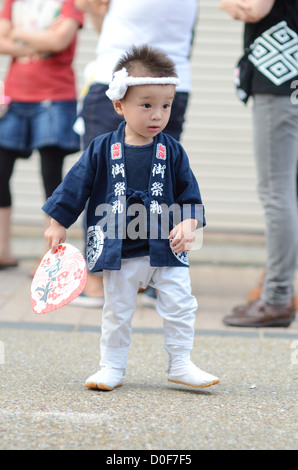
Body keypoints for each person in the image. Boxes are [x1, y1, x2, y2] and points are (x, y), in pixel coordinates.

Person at [43, 45, 220, 391]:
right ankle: (111, 367)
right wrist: (57, 222)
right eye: (147, 105)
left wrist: (189, 222)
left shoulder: (172, 150)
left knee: (181, 305)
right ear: (119, 105)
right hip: (119, 249)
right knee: (117, 311)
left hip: (166, 246)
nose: (158, 115)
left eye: (166, 105)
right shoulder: (101, 148)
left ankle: (181, 362)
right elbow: (75, 185)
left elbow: (190, 195)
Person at [72, 0, 198, 307]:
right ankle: (156, 276)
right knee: (161, 180)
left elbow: (90, 6)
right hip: (172, 81)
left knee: (102, 180)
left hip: (121, 81)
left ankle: (99, 279)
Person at [219, 0, 298, 327]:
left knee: (276, 191)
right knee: (288, 190)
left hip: (278, 78)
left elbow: (254, 9)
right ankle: (277, 291)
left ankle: (277, 297)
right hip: (290, 74)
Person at [0, 0, 83, 271]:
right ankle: (3, 251)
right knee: (0, 173)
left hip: (55, 98)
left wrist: (18, 33)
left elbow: (60, 41)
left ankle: (50, 256)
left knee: (50, 177)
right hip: (14, 97)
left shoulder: (69, 2)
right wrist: (42, 41)